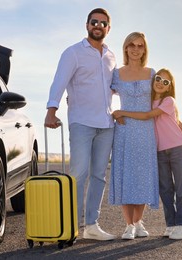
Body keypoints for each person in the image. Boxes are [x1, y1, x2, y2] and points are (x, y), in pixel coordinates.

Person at [44, 8, 117, 241]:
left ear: (108, 28)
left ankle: (92, 225)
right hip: (82, 122)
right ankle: (71, 226)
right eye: (94, 22)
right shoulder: (73, 53)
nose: (98, 26)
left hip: (106, 123)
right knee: (78, 173)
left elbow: (113, 87)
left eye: (103, 23)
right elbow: (59, 82)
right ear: (87, 25)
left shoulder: (111, 55)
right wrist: (51, 111)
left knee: (98, 175)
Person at [112, 68, 182, 240]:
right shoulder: (149, 101)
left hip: (176, 147)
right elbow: (174, 119)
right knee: (165, 189)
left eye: (165, 82)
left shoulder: (169, 100)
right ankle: (171, 225)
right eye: (158, 79)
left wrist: (122, 112)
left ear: (170, 86)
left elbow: (148, 115)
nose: (160, 83)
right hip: (160, 150)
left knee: (180, 187)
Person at [108, 32, 160, 240]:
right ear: (126, 48)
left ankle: (138, 222)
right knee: (125, 175)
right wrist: (112, 112)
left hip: (146, 131)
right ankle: (128, 225)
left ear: (144, 50)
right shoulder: (117, 74)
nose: (136, 49)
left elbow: (162, 101)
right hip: (125, 130)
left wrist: (178, 122)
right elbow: (102, 95)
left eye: (140, 46)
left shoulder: (151, 73)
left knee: (142, 175)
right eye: (132, 45)